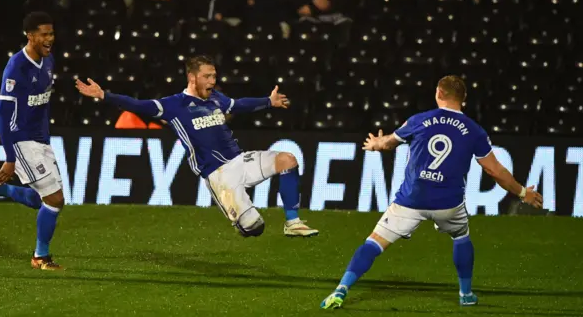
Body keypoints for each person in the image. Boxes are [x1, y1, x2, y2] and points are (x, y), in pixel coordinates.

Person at [320, 75, 543, 309]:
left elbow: (387, 143)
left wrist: (376, 144)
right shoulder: (474, 130)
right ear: (463, 99)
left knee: (374, 242)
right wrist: (521, 193)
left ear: (438, 93)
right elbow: (494, 169)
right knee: (461, 236)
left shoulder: (419, 120)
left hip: (411, 201)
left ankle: (341, 289)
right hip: (448, 204)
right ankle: (466, 295)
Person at [76, 55, 319, 238]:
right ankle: (238, 217)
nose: (213, 81)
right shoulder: (174, 105)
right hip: (218, 175)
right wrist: (104, 95)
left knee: (288, 159)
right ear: (192, 78)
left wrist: (268, 101)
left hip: (239, 160)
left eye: (214, 76)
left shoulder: (216, 98)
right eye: (207, 76)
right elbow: (138, 105)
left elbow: (239, 105)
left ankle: (292, 222)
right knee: (255, 228)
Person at [0, 11, 64, 270]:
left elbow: (43, 104)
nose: (50, 39)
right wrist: (10, 157)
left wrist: (45, 138)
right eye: (44, 34)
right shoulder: (17, 67)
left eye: (52, 33)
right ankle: (40, 257)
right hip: (21, 140)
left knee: (43, 200)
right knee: (55, 200)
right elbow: (3, 115)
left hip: (41, 140)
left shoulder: (49, 62)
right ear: (30, 36)